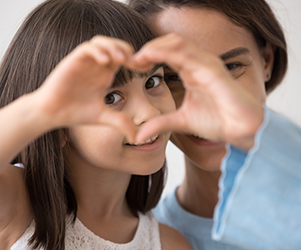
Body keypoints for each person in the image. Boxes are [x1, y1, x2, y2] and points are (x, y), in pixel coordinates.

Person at [0, 0, 194, 249]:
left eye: (152, 82)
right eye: (111, 97)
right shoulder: (17, 204)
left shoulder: (169, 244)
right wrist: (41, 110)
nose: (149, 112)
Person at [128, 0, 301, 249]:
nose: (207, 103)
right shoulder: (148, 242)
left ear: (266, 61)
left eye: (230, 67)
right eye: (173, 77)